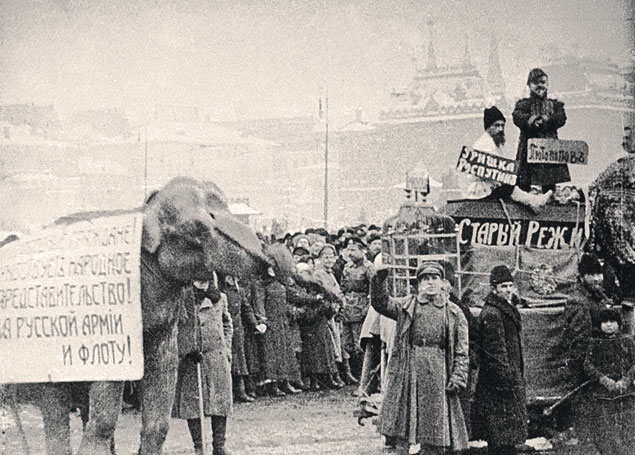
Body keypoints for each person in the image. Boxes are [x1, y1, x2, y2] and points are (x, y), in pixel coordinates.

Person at [371, 261, 469, 454]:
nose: (430, 283)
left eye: (434, 278)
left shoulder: (454, 313)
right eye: (425, 279)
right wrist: (379, 279)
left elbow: (462, 350)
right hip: (410, 368)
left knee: (435, 430)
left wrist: (458, 375)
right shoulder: (408, 306)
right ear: (418, 284)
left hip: (439, 371)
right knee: (402, 423)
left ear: (443, 282)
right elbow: (381, 303)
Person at [173, 279, 233, 455]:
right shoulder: (184, 299)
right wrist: (187, 348)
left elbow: (227, 324)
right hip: (192, 360)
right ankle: (199, 446)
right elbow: (177, 327)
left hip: (216, 357)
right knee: (193, 403)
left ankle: (219, 446)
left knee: (219, 401)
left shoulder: (220, 298)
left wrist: (226, 348)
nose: (202, 280)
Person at [472, 265, 527, 455]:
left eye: (510, 285)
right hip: (500, 383)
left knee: (504, 437)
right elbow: (496, 352)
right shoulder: (493, 313)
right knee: (501, 438)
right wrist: (508, 379)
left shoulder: (502, 309)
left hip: (506, 378)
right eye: (503, 286)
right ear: (494, 288)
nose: (508, 290)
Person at [464, 106, 552, 211]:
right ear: (488, 127)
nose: (500, 129)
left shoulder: (493, 143)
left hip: (488, 185)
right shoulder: (483, 145)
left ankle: (533, 202)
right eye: (496, 126)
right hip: (480, 188)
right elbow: (489, 172)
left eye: (502, 126)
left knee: (511, 185)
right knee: (508, 187)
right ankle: (534, 201)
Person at [575, 308, 635, 455]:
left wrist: (626, 380)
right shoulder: (595, 343)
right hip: (602, 393)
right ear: (599, 324)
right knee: (605, 428)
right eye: (605, 322)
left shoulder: (627, 341)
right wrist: (604, 380)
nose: (609, 325)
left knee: (626, 426)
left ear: (619, 324)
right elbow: (588, 365)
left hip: (625, 392)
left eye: (612, 321)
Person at [559, 253, 614, 384]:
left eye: (599, 274)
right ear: (583, 277)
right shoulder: (578, 301)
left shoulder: (598, 295)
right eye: (592, 275)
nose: (597, 279)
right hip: (588, 365)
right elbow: (580, 340)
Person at [512, 68, 569, 193]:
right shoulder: (523, 104)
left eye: (543, 82)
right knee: (523, 183)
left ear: (547, 84)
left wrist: (546, 120)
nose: (540, 86)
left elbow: (561, 118)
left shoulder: (555, 105)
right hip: (528, 150)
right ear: (529, 85)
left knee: (549, 184)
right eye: (535, 83)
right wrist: (532, 121)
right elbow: (517, 116)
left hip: (549, 151)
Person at [340, 236, 375, 384]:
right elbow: (343, 287)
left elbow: (374, 290)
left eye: (354, 249)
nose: (350, 253)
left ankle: (364, 379)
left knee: (359, 345)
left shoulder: (368, 268)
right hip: (347, 308)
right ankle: (354, 376)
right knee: (347, 344)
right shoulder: (347, 267)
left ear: (363, 250)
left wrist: (368, 308)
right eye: (349, 249)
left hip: (361, 309)